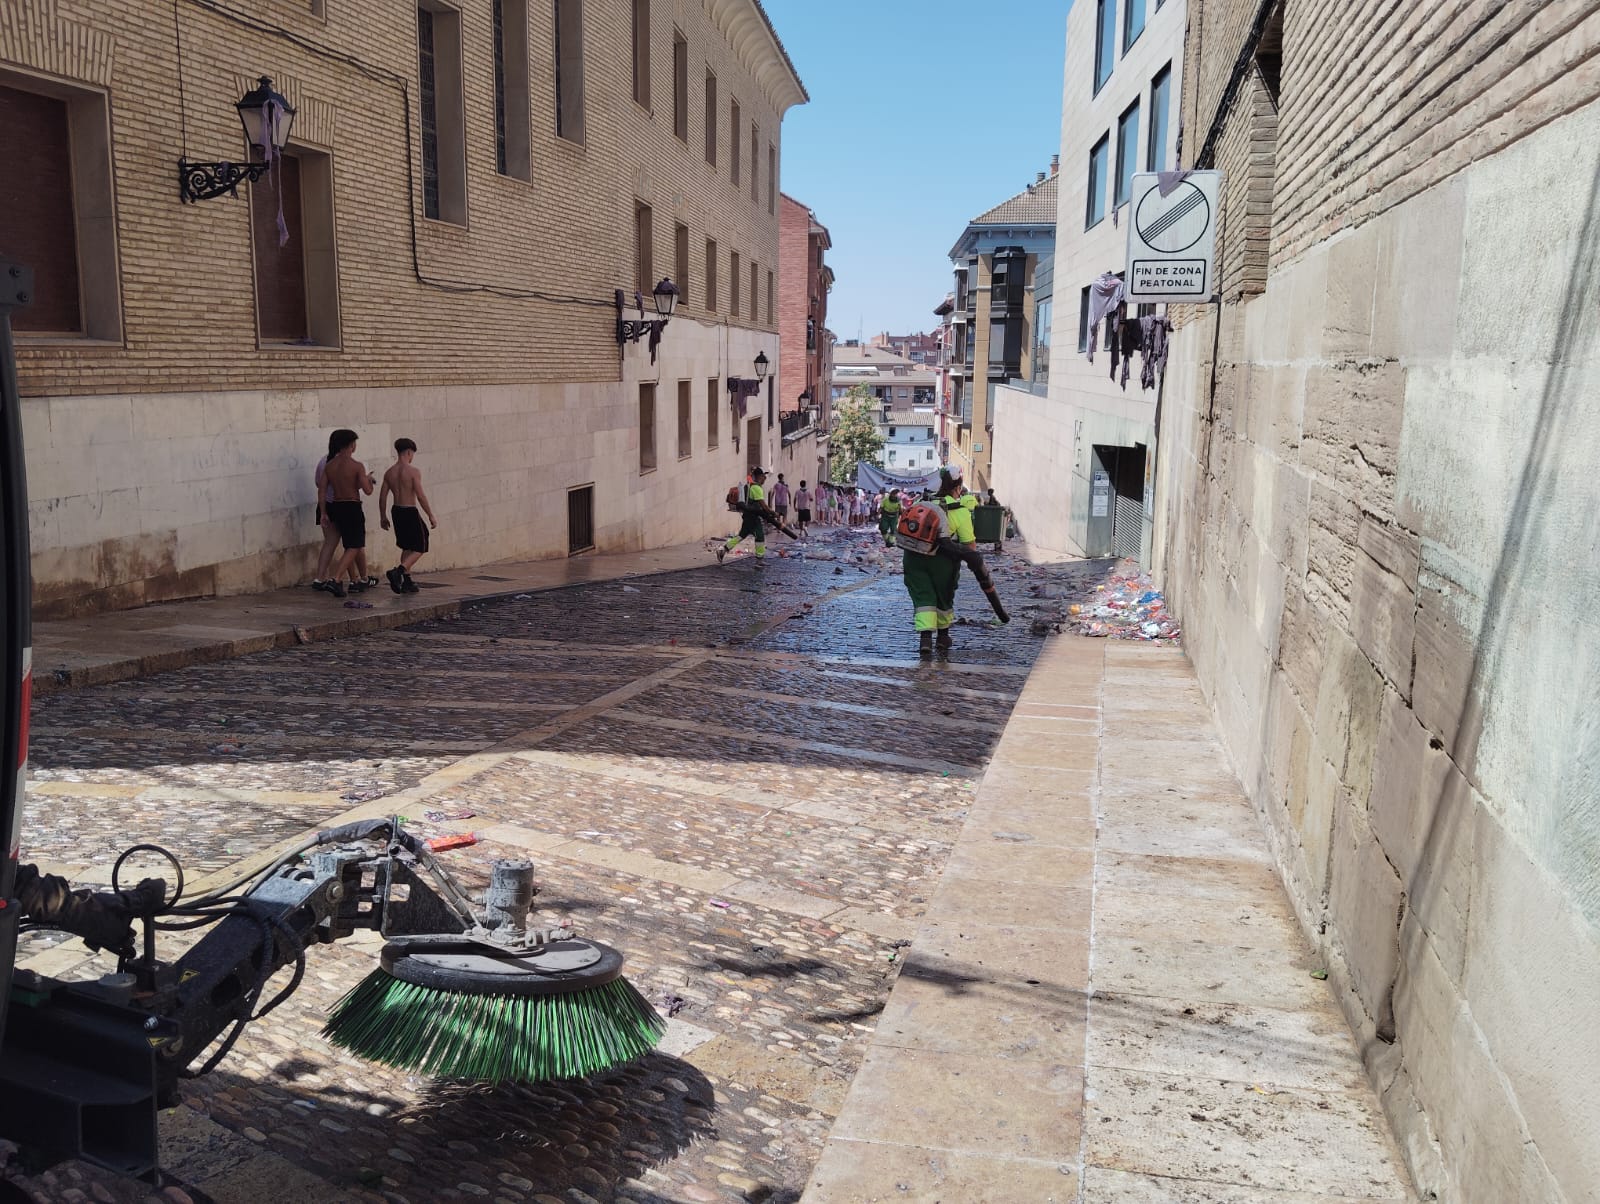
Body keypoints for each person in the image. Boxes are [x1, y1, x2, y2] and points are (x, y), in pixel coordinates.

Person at [898, 474, 960, 656]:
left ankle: (925, 640)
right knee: (943, 597)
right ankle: (942, 637)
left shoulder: (921, 502)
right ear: (957, 488)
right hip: (944, 560)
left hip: (913, 556)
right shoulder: (960, 510)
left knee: (922, 597)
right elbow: (969, 544)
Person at [379, 438, 437, 593]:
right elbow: (420, 495)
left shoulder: (389, 472)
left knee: (407, 546)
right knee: (421, 545)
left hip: (396, 511)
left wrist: (383, 516)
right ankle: (399, 571)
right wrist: (430, 515)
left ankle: (407, 580)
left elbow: (383, 496)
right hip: (409, 510)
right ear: (409, 452)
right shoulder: (413, 472)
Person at [323, 430, 375, 599]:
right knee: (355, 544)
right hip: (352, 506)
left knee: (349, 545)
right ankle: (336, 579)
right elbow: (367, 491)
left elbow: (321, 490)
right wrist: (369, 480)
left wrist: (323, 512)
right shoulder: (357, 466)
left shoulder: (329, 465)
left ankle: (354, 580)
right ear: (352, 445)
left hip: (336, 507)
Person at [717, 466, 777, 565]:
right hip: (753, 517)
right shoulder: (757, 488)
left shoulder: (749, 486)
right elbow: (763, 505)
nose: (765, 479)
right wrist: (772, 513)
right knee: (760, 536)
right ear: (759, 476)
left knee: (742, 535)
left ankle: (723, 550)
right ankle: (759, 560)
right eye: (764, 476)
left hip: (747, 515)